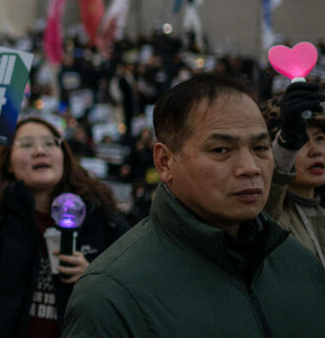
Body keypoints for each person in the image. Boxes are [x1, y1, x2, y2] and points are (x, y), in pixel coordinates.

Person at [62, 73, 325, 337]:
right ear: (165, 162)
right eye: (221, 150)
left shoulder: (301, 264)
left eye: (260, 148)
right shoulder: (111, 297)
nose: (250, 168)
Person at [0, 116, 128, 337]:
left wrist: (95, 278)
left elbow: (131, 287)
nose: (39, 151)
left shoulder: (101, 218)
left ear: (65, 156)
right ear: (9, 164)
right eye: (27, 144)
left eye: (49, 143)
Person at [261, 81, 325, 265]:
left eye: (320, 138)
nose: (316, 150)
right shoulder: (267, 218)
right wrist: (288, 142)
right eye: (302, 140)